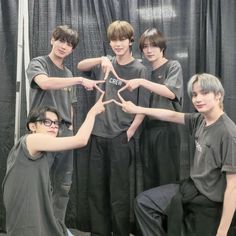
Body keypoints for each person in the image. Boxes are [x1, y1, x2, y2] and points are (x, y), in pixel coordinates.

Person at [116, 73, 236, 236]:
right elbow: (172, 115)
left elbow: (233, 187)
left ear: (218, 95)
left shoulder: (228, 133)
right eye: (194, 95)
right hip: (192, 187)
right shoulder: (200, 119)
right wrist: (138, 109)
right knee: (143, 203)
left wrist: (222, 231)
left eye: (204, 93)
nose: (198, 99)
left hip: (209, 200)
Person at [2, 93, 111, 236]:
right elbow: (81, 140)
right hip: (25, 215)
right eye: (47, 122)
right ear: (33, 126)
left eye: (55, 123)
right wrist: (93, 112)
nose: (53, 126)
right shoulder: (32, 140)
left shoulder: (44, 148)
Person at [77, 20, 149, 236]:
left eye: (122, 40)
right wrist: (101, 59)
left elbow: (142, 107)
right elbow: (80, 66)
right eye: (113, 40)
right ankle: (99, 232)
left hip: (120, 136)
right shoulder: (105, 62)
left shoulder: (139, 69)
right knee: (96, 190)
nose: (117, 44)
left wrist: (129, 132)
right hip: (97, 135)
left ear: (130, 41)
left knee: (118, 191)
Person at [26, 25, 104, 222]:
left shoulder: (69, 74)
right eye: (61, 40)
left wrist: (70, 128)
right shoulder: (39, 63)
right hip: (42, 132)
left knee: (63, 184)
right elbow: (44, 83)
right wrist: (79, 80)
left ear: (72, 50)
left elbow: (71, 105)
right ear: (52, 40)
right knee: (39, 184)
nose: (63, 46)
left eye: (69, 44)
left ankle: (56, 227)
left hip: (65, 133)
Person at [120, 27, 183, 190]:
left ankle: (171, 216)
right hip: (147, 129)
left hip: (167, 129)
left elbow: (171, 93)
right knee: (150, 178)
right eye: (145, 47)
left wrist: (141, 82)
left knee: (167, 178)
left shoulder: (172, 66)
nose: (149, 50)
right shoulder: (145, 71)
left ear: (162, 47)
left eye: (153, 45)